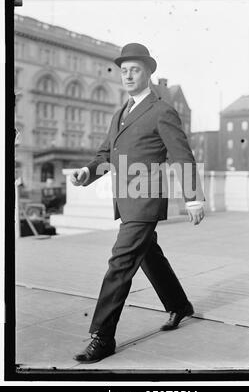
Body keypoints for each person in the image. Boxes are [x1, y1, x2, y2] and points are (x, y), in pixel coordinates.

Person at [71, 43, 205, 364]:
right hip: (126, 201)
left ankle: (102, 337)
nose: (128, 75)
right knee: (147, 255)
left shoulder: (161, 110)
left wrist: (193, 197)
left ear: (148, 74)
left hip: (145, 201)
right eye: (124, 71)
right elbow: (106, 154)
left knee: (120, 264)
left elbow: (181, 154)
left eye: (135, 70)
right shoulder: (120, 113)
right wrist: (87, 172)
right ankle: (179, 304)